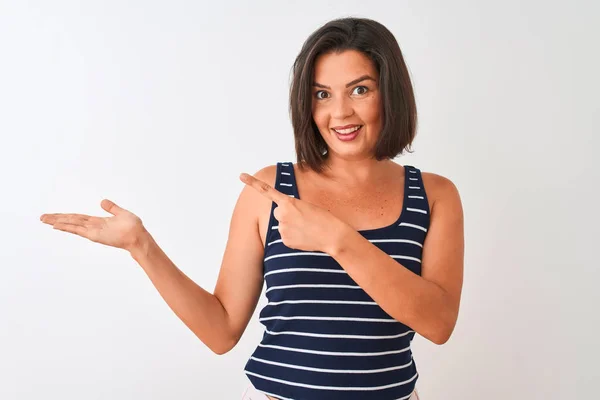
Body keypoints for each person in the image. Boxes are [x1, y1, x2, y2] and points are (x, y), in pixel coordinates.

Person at [40, 17, 464, 400]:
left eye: (360, 89)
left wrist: (337, 240)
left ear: (389, 92)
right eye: (322, 94)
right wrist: (141, 246)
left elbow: (438, 324)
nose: (340, 112)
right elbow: (221, 331)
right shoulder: (269, 191)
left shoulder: (434, 195)